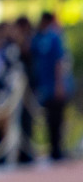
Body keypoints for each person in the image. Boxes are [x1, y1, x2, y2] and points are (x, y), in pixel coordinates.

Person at [30, 11, 74, 160]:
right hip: (46, 85)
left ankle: (58, 149)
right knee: (50, 118)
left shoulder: (54, 37)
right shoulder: (40, 37)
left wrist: (59, 84)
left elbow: (59, 62)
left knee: (57, 118)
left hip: (54, 85)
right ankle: (54, 149)